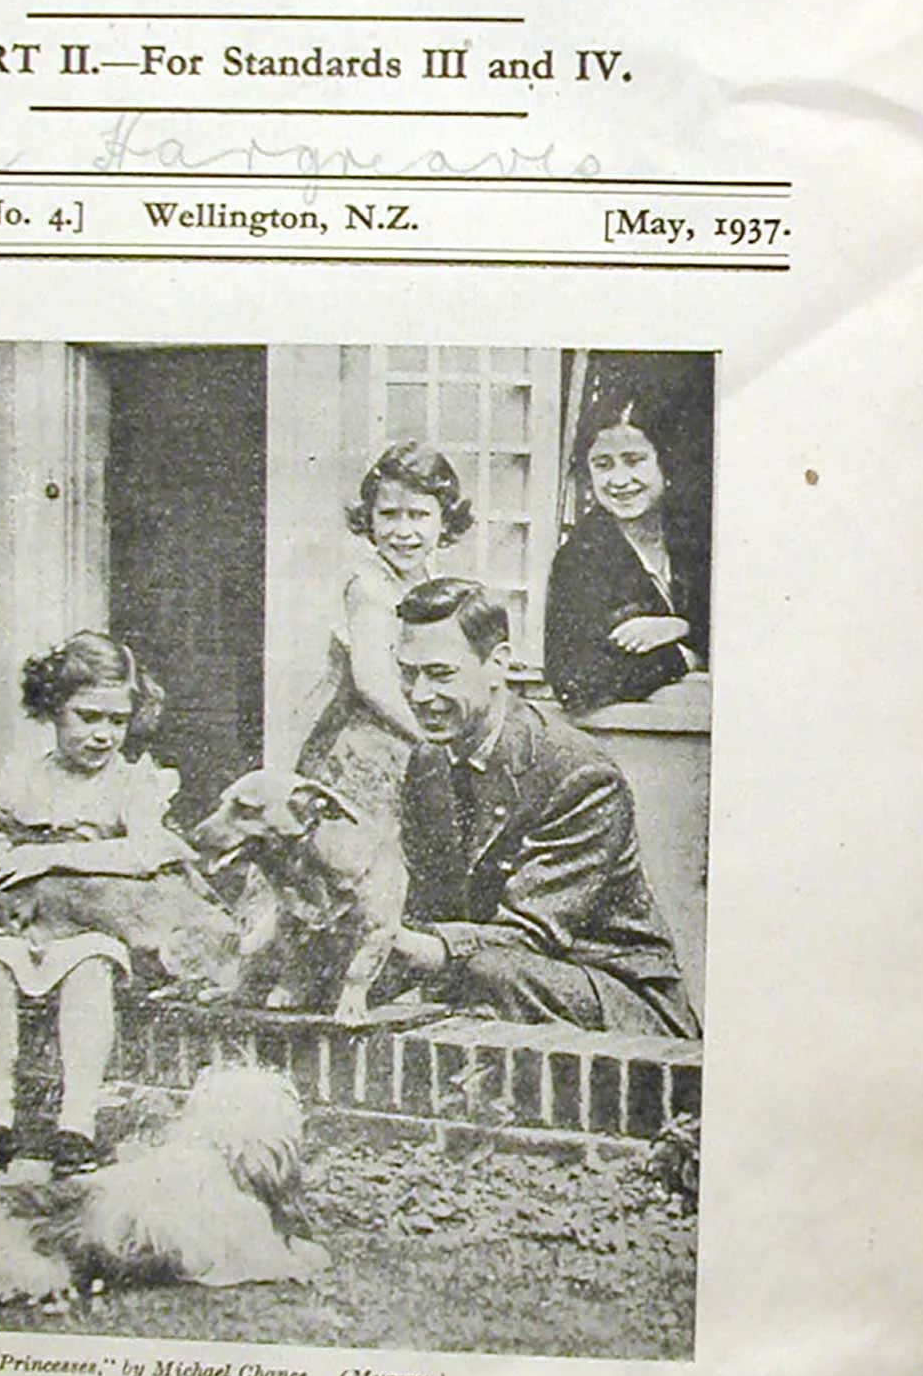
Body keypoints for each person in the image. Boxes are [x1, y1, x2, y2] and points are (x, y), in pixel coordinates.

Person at [0, 633, 193, 1179]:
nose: (103, 734)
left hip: (96, 920)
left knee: (90, 971)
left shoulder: (135, 780)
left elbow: (142, 853)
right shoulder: (26, 774)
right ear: (51, 710)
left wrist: (51, 857)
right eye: (87, 717)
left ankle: (76, 1123)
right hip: (25, 920)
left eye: (117, 719)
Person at [389, 577, 699, 1036]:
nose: (418, 695)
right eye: (407, 672)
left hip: (616, 1000)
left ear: (498, 665)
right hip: (499, 976)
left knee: (482, 971)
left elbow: (532, 934)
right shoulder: (428, 761)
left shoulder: (579, 774)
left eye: (440, 673)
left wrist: (401, 945)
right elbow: (426, 908)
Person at [297, 441, 473, 818]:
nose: (403, 531)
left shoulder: (424, 579)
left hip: (404, 737)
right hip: (360, 743)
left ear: (444, 520)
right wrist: (433, 744)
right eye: (389, 515)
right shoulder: (370, 586)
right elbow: (373, 684)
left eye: (419, 515)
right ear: (370, 519)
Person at [544, 400, 710, 717]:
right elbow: (574, 681)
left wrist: (680, 628)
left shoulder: (703, 539)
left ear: (666, 462)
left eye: (634, 461)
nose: (619, 481)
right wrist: (683, 657)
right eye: (604, 464)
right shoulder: (579, 559)